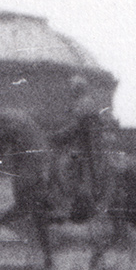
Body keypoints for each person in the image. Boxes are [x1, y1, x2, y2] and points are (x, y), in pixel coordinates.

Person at [50, 74, 112, 222]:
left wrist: (58, 135)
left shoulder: (84, 103)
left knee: (65, 164)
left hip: (86, 145)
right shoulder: (82, 103)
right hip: (81, 142)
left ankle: (69, 202)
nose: (71, 91)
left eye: (73, 88)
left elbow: (76, 127)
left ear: (78, 89)